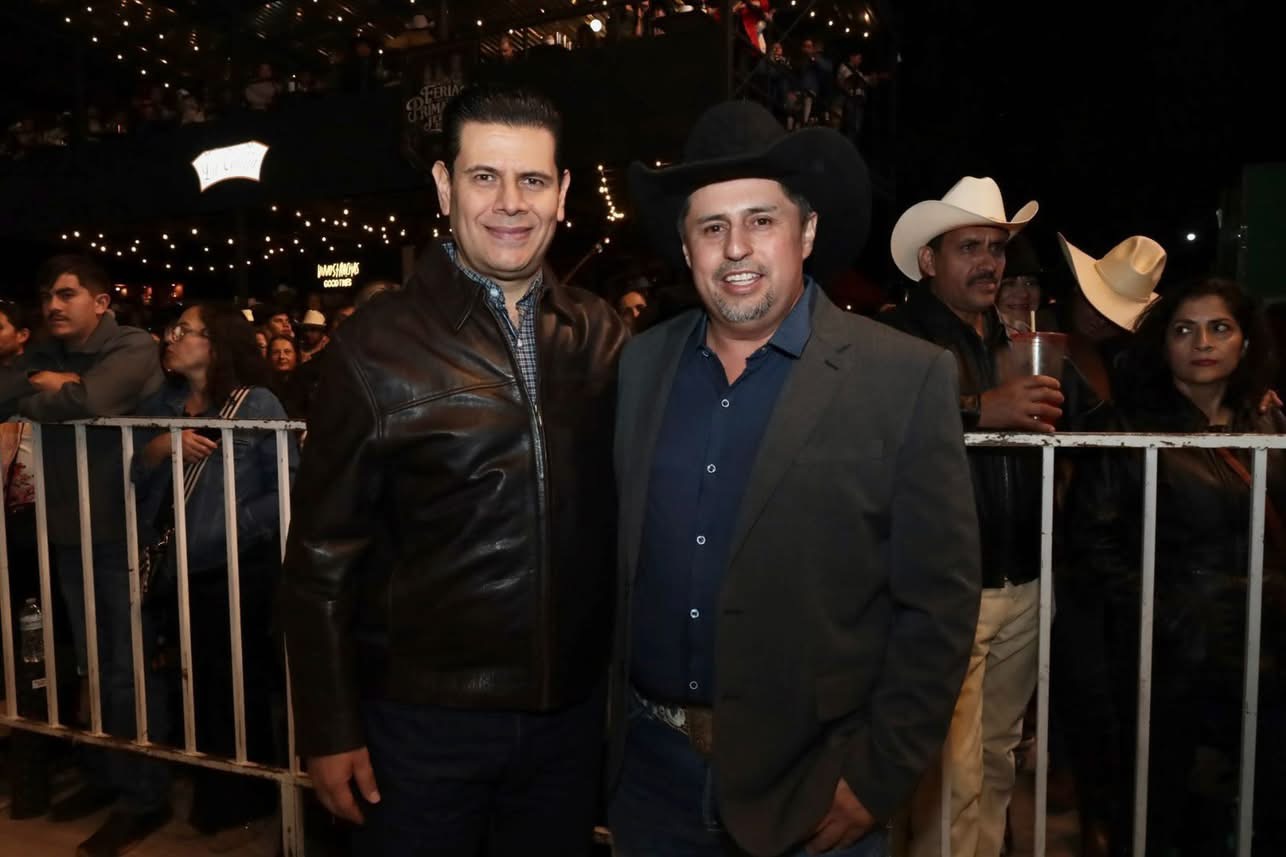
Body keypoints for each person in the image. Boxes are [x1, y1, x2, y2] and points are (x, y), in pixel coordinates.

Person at [610, 99, 980, 857]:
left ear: (806, 232)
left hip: (813, 790)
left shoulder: (903, 377)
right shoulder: (640, 365)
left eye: (761, 220)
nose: (736, 247)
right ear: (685, 246)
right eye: (711, 227)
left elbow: (938, 605)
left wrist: (875, 778)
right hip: (650, 782)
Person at [277, 84, 629, 856]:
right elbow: (321, 558)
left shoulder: (602, 336)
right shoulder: (373, 346)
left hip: (569, 724)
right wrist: (329, 725)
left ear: (562, 192)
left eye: (532, 179)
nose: (510, 203)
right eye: (484, 177)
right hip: (420, 728)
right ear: (444, 186)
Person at [1065, 277, 1286, 856]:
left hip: (1266, 654)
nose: (1202, 343)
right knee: (1165, 815)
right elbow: (1091, 544)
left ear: (1245, 342)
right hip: (1168, 665)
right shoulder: (1127, 428)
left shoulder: (1270, 423)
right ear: (1163, 344)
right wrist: (1169, 615)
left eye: (1220, 328)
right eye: (1185, 329)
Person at [881, 176, 1055, 857]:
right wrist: (981, 409)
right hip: (949, 584)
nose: (989, 263)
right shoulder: (898, 336)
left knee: (997, 755)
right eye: (970, 248)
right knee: (949, 773)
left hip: (1021, 578)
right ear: (929, 260)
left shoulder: (1005, 338)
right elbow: (882, 423)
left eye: (997, 248)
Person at [0, 255, 169, 856]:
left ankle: (144, 794)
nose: (52, 305)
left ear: (100, 302)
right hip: (69, 531)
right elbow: (7, 390)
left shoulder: (132, 344)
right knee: (93, 667)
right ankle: (110, 775)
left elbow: (93, 398)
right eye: (47, 295)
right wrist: (53, 384)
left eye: (67, 294)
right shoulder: (47, 351)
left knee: (127, 669)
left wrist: (57, 390)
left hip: (123, 530)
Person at [131, 304, 297, 835]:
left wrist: (233, 526)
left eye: (184, 331)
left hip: (238, 568)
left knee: (239, 682)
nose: (171, 338)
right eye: (171, 329)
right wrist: (160, 448)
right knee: (196, 682)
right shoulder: (166, 405)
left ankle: (244, 799)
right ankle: (216, 790)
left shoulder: (257, 402)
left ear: (217, 342)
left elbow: (287, 484)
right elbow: (140, 481)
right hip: (182, 567)